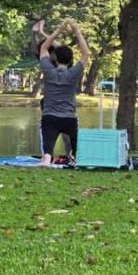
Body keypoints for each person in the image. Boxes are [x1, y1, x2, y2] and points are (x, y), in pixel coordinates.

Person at [38, 18, 89, 167]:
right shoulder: (73, 73)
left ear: (55, 58)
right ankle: (75, 158)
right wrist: (76, 30)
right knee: (75, 147)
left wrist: (59, 30)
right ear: (71, 60)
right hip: (69, 118)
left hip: (50, 117)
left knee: (48, 147)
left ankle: (47, 159)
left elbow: (44, 48)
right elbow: (85, 54)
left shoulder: (48, 70)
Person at [31, 20, 72, 159]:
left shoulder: (67, 63)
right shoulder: (48, 65)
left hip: (65, 104)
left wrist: (42, 32)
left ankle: (70, 156)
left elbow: (56, 46)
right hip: (49, 102)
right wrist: (34, 33)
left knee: (67, 135)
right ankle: (47, 156)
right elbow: (39, 49)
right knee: (48, 132)